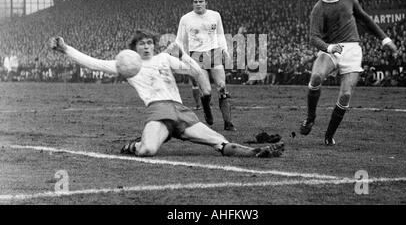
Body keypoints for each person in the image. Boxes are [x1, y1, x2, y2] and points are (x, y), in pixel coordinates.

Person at [48, 29, 284, 158]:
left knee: (219, 142)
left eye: (150, 42)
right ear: (134, 49)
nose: (148, 46)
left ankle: (256, 152)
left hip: (182, 112)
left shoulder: (164, 58)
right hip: (158, 110)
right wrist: (65, 48)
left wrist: (182, 54)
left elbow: (195, 71)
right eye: (142, 44)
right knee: (148, 150)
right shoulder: (128, 66)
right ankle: (134, 146)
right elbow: (93, 63)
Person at [300, 0, 398, 145]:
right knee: (315, 77)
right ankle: (310, 118)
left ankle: (329, 136)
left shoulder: (349, 0)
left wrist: (385, 39)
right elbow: (313, 37)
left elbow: (366, 20)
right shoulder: (318, 8)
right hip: (330, 50)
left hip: (352, 51)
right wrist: (329, 47)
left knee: (345, 95)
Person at [176, 0, 235, 131]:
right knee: (207, 91)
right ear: (192, 4)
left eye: (200, 1)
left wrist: (225, 50)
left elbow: (220, 34)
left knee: (222, 86)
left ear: (205, 3)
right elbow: (179, 40)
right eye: (195, 2)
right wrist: (182, 55)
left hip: (214, 53)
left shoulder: (215, 15)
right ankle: (206, 108)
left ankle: (228, 123)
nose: (198, 4)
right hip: (196, 56)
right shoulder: (186, 19)